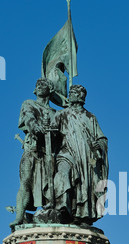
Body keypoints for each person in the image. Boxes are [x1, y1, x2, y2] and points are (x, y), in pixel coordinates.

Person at [52, 84, 108, 225]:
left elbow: (101, 138)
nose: (70, 95)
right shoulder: (61, 115)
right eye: (71, 92)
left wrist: (99, 145)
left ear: (80, 97)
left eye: (73, 93)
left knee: (86, 184)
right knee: (63, 174)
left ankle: (82, 215)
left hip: (86, 157)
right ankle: (62, 208)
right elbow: (51, 134)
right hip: (66, 153)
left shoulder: (90, 117)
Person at [10, 78, 56, 230]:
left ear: (51, 89)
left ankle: (50, 213)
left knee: (52, 186)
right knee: (26, 181)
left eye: (43, 85)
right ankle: (19, 216)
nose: (39, 86)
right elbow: (29, 118)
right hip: (32, 149)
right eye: (38, 85)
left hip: (50, 154)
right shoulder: (29, 103)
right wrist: (37, 127)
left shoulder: (54, 113)